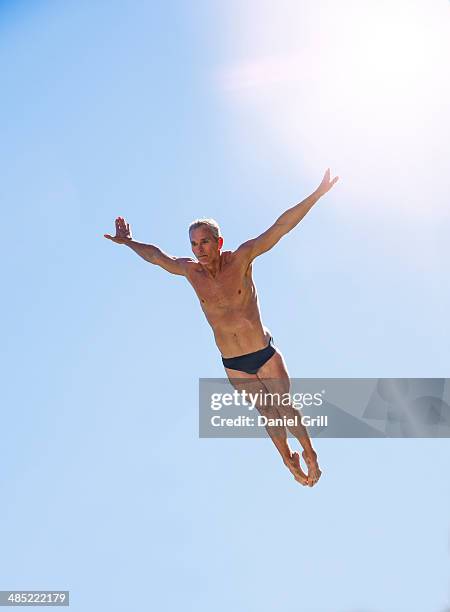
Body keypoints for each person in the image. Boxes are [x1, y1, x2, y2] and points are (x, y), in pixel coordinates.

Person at [104, 169, 339, 486]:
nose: (198, 249)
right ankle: (288, 461)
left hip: (263, 353)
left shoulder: (241, 259)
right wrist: (129, 242)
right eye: (194, 244)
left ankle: (310, 455)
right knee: (268, 413)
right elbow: (157, 257)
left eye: (204, 242)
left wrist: (317, 194)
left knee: (284, 406)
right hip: (235, 364)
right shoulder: (191, 273)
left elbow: (280, 227)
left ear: (218, 242)